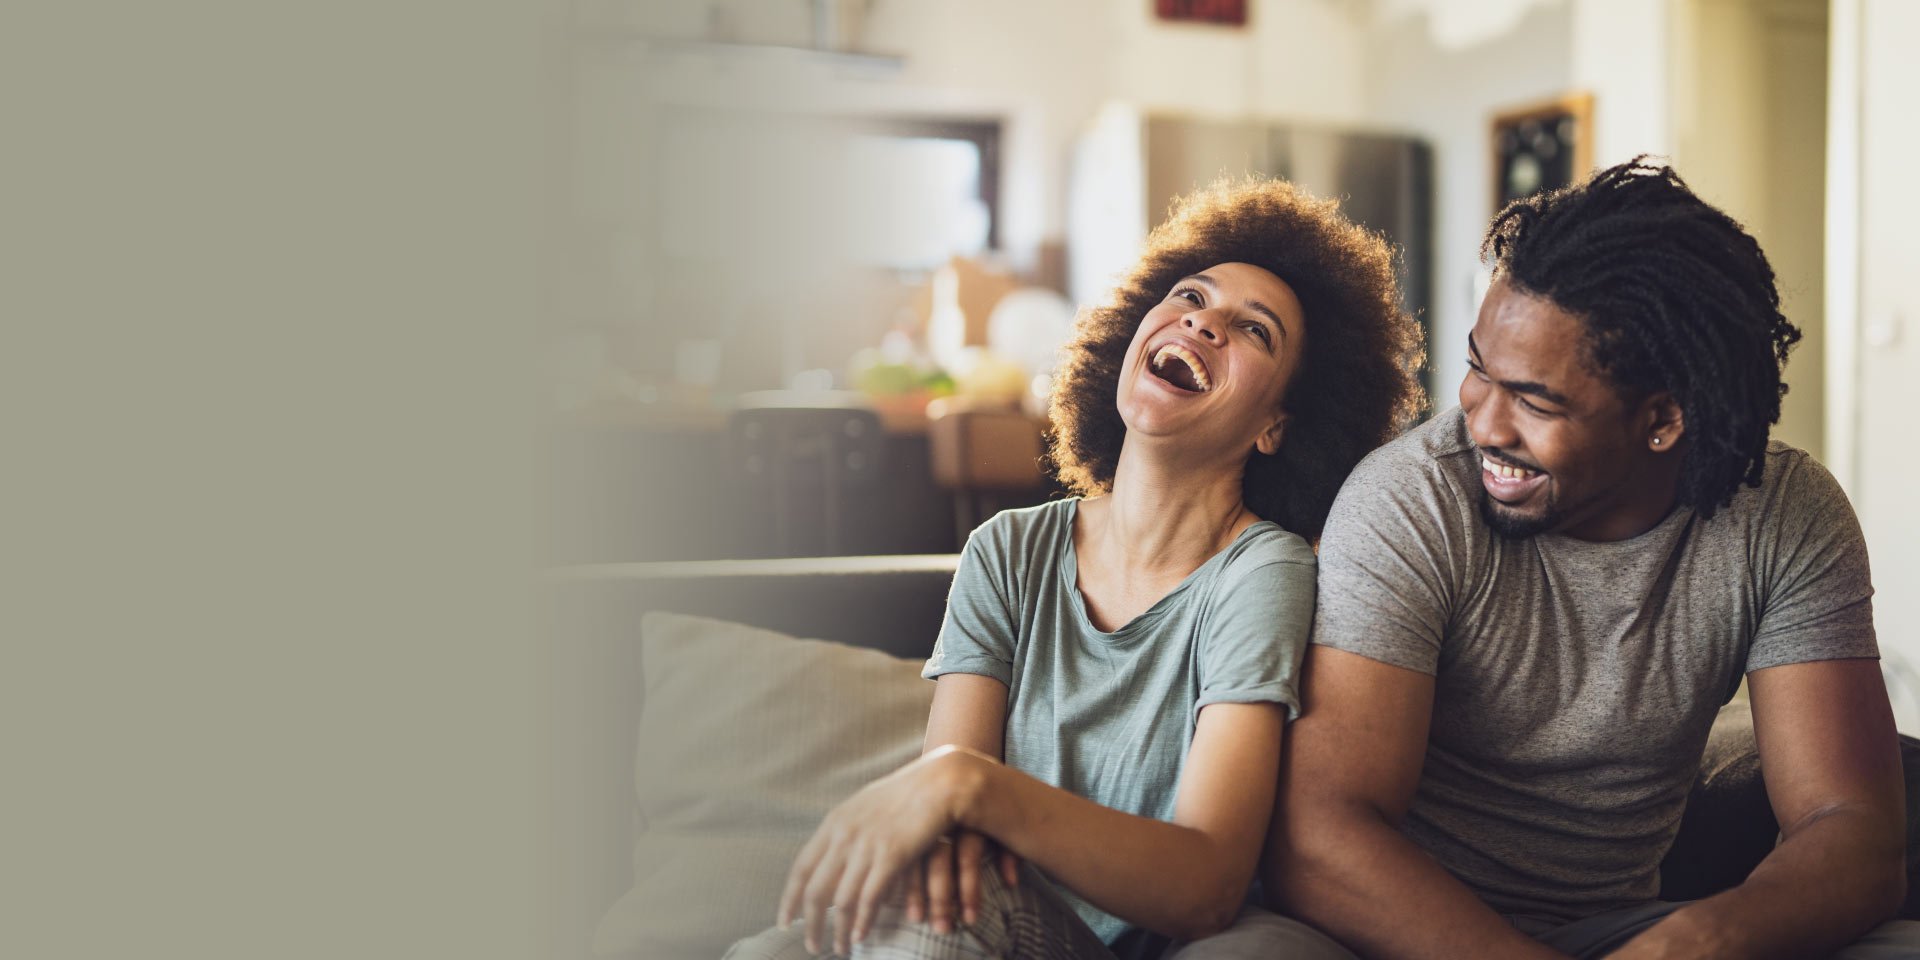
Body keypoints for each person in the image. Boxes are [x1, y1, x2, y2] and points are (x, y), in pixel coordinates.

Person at [724, 176, 1423, 960]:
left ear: (1275, 426)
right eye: (1190, 295)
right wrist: (959, 797)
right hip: (984, 920)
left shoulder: (1262, 573)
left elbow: (1207, 882)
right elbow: (948, 827)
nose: (1204, 319)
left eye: (1254, 330)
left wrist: (976, 789)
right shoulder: (1006, 551)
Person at [1263, 157, 1920, 959]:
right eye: (1477, 368)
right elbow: (1320, 837)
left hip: (1621, 932)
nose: (1482, 421)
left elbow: (1852, 827)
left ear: (1664, 419)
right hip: (1382, 928)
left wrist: (1702, 939)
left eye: (1534, 401)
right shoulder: (1411, 498)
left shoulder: (1784, 515)